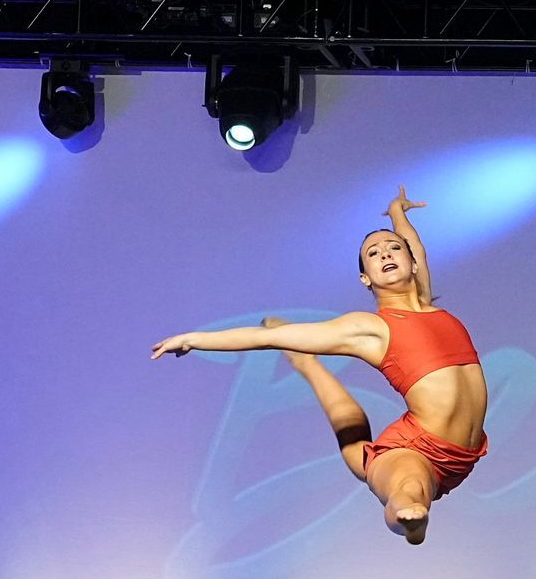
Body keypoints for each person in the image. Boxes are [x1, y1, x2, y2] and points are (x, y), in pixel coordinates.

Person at [152, 187, 488, 544]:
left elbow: (414, 244)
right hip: (414, 449)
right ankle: (411, 523)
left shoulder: (428, 305)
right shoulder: (369, 328)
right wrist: (194, 338)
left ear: (414, 264)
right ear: (365, 278)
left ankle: (307, 365)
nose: (385, 254)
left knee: (352, 428)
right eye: (373, 254)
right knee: (408, 486)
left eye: (393, 249)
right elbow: (268, 337)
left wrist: (396, 213)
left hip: (462, 455)